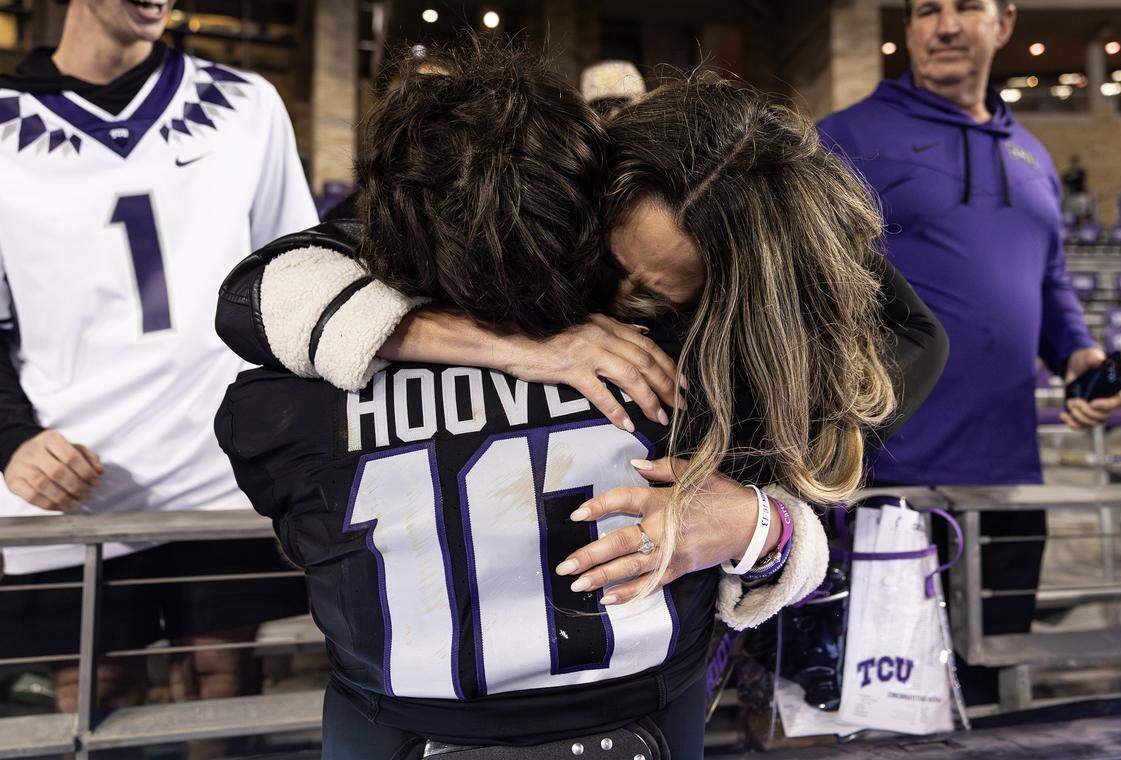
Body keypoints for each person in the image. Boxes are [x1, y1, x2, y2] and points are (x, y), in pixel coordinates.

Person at [216, 37, 946, 757]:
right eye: (606, 253)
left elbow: (258, 334)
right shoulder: (639, 337)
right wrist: (517, 346)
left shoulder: (715, 357)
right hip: (623, 706)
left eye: (657, 290)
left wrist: (758, 519)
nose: (615, 296)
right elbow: (263, 291)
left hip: (459, 711)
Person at [0, 0, 316, 736]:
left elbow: (297, 282)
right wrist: (11, 439)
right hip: (73, 474)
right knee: (90, 693)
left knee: (221, 685)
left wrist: (296, 451)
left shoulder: (245, 104)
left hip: (224, 468)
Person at [816, 0, 1121, 703]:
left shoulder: (1034, 153)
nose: (944, 26)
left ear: (1005, 23)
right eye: (926, 11)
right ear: (909, 29)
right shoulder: (848, 136)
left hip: (1007, 478)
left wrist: (1076, 354)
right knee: (879, 709)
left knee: (988, 697)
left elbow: (1049, 283)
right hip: (887, 480)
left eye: (965, 8)